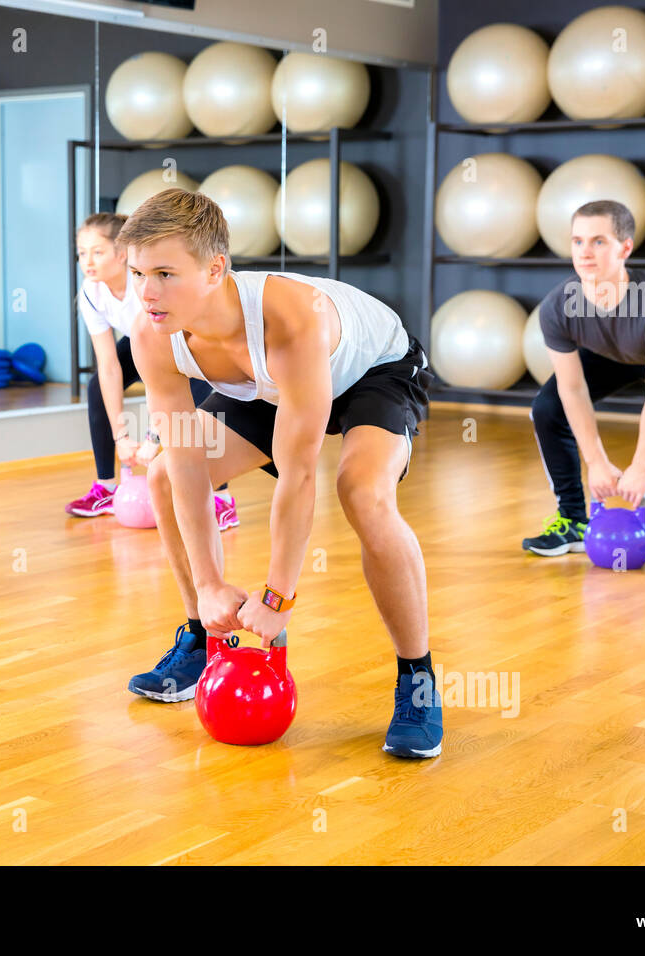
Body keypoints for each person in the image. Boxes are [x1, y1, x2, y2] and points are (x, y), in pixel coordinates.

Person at [120, 189, 441, 759]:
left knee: (362, 493)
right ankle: (199, 632)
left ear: (216, 269)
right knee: (167, 475)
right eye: (138, 271)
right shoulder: (152, 333)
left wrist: (277, 596)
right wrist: (212, 585)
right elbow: (187, 460)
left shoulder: (288, 320)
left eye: (166, 273)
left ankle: (417, 679)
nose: (147, 292)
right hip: (266, 385)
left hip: (372, 371)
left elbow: (298, 475)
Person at [521, 200, 645, 575]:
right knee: (547, 408)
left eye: (598, 241)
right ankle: (573, 520)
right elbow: (572, 388)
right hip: (610, 351)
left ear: (625, 248)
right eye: (577, 241)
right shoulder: (558, 306)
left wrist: (641, 468)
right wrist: (595, 462)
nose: (585, 252)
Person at [65, 212, 237, 531]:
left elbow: (164, 376)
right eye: (82, 252)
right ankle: (106, 487)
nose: (87, 261)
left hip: (190, 338)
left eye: (97, 252)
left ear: (122, 255)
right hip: (144, 338)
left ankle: (222, 500)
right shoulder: (92, 291)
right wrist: (121, 438)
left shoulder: (145, 287)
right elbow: (108, 365)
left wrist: (152, 438)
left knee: (198, 403)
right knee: (95, 387)